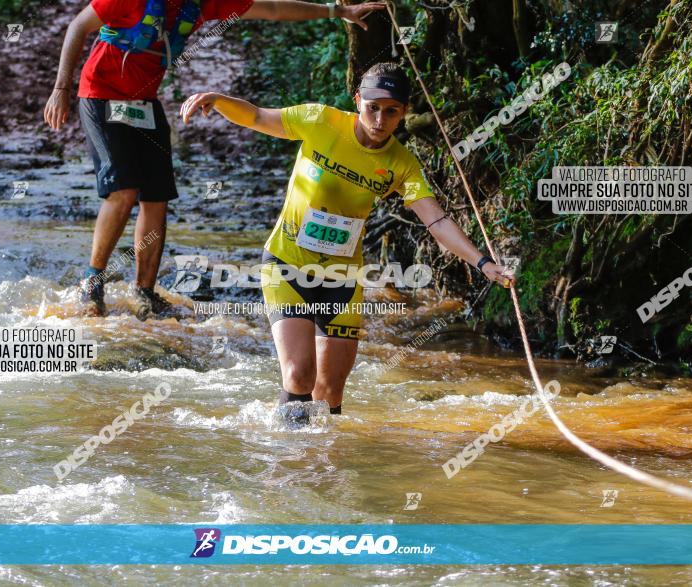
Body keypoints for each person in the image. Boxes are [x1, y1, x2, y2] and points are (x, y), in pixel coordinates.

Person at [180, 62, 515, 424]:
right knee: (299, 375)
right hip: (286, 265)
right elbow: (259, 117)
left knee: (330, 389)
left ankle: (324, 469)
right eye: (372, 107)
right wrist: (217, 99)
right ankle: (286, 461)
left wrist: (482, 263)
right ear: (357, 100)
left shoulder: (401, 164)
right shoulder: (320, 121)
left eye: (391, 111)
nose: (379, 119)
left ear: (403, 114)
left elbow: (436, 219)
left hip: (341, 278)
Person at [43, 0, 386, 319]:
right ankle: (92, 282)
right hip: (100, 94)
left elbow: (273, 9)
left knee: (156, 198)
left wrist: (336, 10)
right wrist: (61, 89)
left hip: (144, 104)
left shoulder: (202, 3)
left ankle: (144, 292)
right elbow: (78, 26)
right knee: (124, 191)